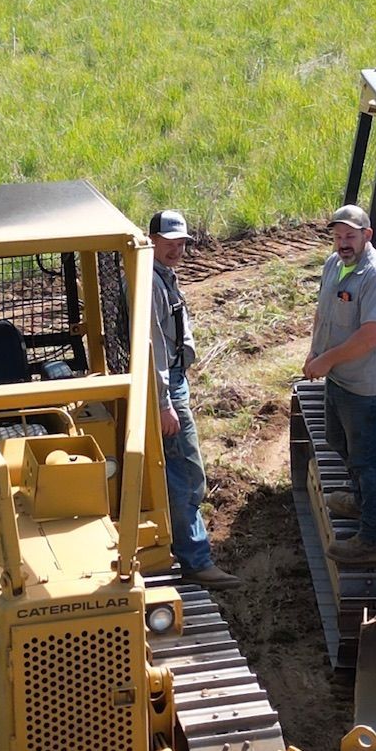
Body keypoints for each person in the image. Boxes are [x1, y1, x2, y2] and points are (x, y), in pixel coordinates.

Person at [301, 203, 376, 566]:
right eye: (338, 236)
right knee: (337, 441)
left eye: (351, 236)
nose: (343, 243)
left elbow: (371, 336)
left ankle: (374, 539)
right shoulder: (334, 265)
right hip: (339, 378)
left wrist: (326, 361)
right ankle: (361, 502)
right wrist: (315, 353)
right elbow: (323, 314)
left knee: (366, 461)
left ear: (367, 236)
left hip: (366, 387)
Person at [148, 209, 236, 588]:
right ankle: (196, 561)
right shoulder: (149, 284)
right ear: (151, 239)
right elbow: (152, 346)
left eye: (181, 241)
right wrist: (165, 402)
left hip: (173, 381)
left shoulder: (161, 275)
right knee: (186, 473)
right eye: (169, 241)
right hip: (166, 390)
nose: (176, 248)